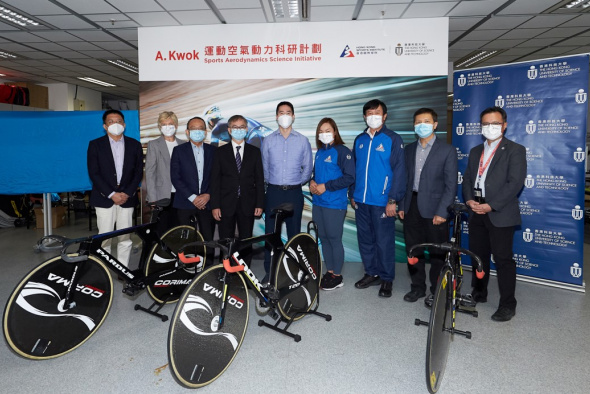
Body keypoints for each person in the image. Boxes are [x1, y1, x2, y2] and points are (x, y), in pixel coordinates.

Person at [462, 106, 526, 322]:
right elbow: (468, 179)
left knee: (503, 259)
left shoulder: (515, 150)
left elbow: (514, 183)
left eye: (495, 123)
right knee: (478, 257)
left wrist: (491, 205)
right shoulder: (474, 151)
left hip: (500, 212)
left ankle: (508, 304)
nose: (490, 127)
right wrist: (469, 199)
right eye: (486, 124)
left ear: (504, 125)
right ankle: (479, 292)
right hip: (475, 211)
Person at [398, 108, 457, 305]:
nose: (421, 125)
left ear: (435, 124)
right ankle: (417, 288)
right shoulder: (408, 150)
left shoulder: (447, 150)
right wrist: (401, 205)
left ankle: (437, 290)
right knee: (413, 250)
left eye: (426, 121)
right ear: (414, 126)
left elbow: (451, 185)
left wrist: (443, 211)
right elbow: (404, 181)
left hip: (435, 209)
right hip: (411, 205)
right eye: (418, 122)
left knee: (437, 253)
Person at [350, 99, 406, 298]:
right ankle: (371, 273)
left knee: (384, 242)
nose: (373, 116)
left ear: (384, 116)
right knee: (365, 240)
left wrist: (392, 200)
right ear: (364, 116)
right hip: (361, 201)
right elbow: (354, 170)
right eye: (369, 113)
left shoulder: (393, 139)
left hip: (382, 202)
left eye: (377, 112)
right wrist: (352, 194)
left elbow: (399, 172)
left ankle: (386, 278)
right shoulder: (359, 140)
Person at [261, 101, 312, 276]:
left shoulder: (302, 140)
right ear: (276, 117)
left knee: (294, 233)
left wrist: (296, 182)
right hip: (273, 192)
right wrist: (273, 183)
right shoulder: (267, 140)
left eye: (288, 112)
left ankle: (292, 271)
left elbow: (308, 168)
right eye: (281, 113)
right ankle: (270, 271)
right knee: (270, 234)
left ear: (293, 116)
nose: (285, 116)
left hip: (294, 192)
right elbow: (264, 168)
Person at [87, 109, 143, 267]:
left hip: (127, 197)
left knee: (125, 237)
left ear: (124, 124)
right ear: (105, 126)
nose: (115, 124)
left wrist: (127, 192)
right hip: (104, 198)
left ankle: (122, 268)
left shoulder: (134, 145)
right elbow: (94, 173)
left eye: (118, 121)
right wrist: (112, 194)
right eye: (111, 122)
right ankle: (104, 267)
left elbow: (138, 172)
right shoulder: (95, 145)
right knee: (104, 238)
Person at [210, 115, 264, 264]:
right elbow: (215, 181)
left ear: (246, 129)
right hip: (225, 203)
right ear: (229, 130)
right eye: (235, 127)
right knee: (226, 241)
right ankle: (225, 271)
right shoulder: (220, 152)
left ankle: (245, 275)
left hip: (248, 203)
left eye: (241, 127)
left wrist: (260, 203)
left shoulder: (254, 152)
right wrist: (215, 205)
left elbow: (259, 180)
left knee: (246, 240)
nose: (238, 130)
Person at [310, 118, 355, 290]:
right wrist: (313, 182)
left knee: (334, 239)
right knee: (324, 238)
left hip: (334, 204)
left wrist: (326, 186)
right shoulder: (320, 152)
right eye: (321, 131)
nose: (324, 134)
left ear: (335, 132)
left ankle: (337, 275)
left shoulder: (342, 151)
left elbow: (350, 177)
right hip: (319, 203)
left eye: (327, 130)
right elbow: (315, 173)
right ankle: (329, 271)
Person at [170, 116, 216, 263]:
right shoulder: (179, 151)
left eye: (200, 128)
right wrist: (193, 197)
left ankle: (208, 267)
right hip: (185, 201)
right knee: (186, 238)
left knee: (208, 237)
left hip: (207, 202)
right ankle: (187, 267)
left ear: (205, 132)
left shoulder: (213, 151)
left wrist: (208, 194)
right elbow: (175, 177)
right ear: (187, 132)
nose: (197, 131)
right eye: (194, 129)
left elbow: (217, 176)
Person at [145, 111, 186, 235]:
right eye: (164, 124)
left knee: (179, 227)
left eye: (170, 124)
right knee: (162, 229)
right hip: (162, 195)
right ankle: (162, 254)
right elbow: (150, 172)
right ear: (160, 127)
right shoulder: (154, 144)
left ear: (176, 126)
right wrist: (152, 198)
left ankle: (177, 253)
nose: (167, 127)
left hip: (181, 195)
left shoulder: (184, 144)